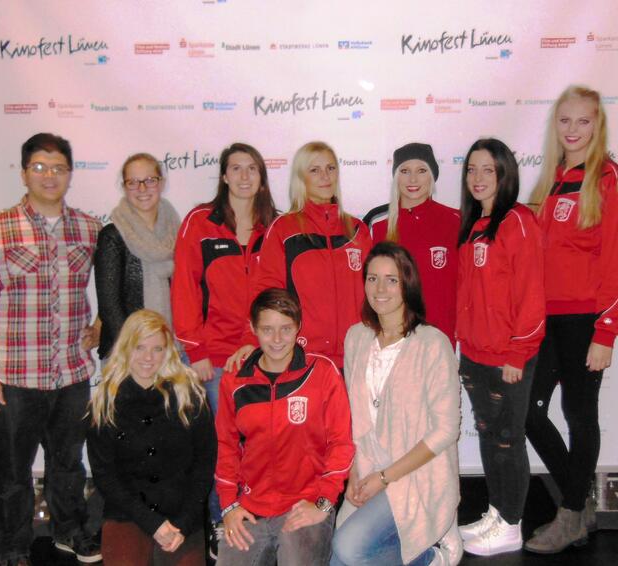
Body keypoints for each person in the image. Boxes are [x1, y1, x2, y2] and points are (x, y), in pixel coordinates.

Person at [0, 133, 102, 565]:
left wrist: (100, 323)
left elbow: (99, 288)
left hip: (71, 372)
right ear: (24, 171)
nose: (50, 176)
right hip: (14, 376)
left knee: (68, 464)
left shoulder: (88, 228)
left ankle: (70, 532)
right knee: (12, 473)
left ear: (70, 174)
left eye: (59, 168)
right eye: (40, 167)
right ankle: (12, 547)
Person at [171, 142, 277, 557]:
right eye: (237, 168)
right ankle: (220, 523)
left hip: (263, 354)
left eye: (253, 168)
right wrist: (196, 350)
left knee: (260, 444)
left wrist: (255, 343)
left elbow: (280, 292)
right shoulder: (200, 222)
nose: (245, 176)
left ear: (262, 176)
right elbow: (183, 287)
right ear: (224, 176)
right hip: (213, 360)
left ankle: (259, 519)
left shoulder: (277, 225)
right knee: (223, 447)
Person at [524, 86, 618, 554]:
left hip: (586, 321)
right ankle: (578, 502)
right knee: (528, 412)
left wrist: (605, 332)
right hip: (547, 322)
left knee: (580, 417)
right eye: (565, 120)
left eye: (583, 121)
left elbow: (613, 262)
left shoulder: (606, 179)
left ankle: (570, 516)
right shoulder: (551, 181)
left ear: (597, 125)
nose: (573, 130)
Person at [330, 242, 462, 566]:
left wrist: (384, 478)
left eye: (392, 279)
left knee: (348, 548)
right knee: (337, 559)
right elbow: (352, 417)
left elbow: (446, 430)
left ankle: (431, 556)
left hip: (416, 475)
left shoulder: (432, 344)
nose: (380, 288)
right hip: (369, 468)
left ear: (408, 284)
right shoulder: (356, 338)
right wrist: (354, 474)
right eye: (372, 278)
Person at [215, 288, 354, 566]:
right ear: (252, 327)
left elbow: (341, 444)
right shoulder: (235, 381)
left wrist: (324, 504)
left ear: (298, 327)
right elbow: (226, 446)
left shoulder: (323, 373)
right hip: (252, 508)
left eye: (286, 328)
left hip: (305, 506)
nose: (277, 340)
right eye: (267, 329)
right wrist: (229, 505)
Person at [456, 138, 545, 557]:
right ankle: (497, 511)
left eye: (488, 169)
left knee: (509, 440)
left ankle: (511, 523)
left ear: (505, 173)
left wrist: (518, 353)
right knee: (491, 439)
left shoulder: (519, 221)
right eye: (472, 169)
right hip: (475, 356)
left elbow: (530, 295)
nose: (478, 178)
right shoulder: (474, 224)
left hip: (508, 359)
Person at [227, 141, 372, 371]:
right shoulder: (284, 230)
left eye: (331, 168)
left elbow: (374, 294)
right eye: (314, 170)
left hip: (356, 358)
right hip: (304, 358)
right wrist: (251, 338)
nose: (325, 176)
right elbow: (266, 291)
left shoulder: (357, 230)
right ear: (300, 177)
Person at [87, 309, 216, 565]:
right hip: (128, 512)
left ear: (167, 351)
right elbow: (105, 477)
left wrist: (182, 522)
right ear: (126, 348)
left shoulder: (190, 396)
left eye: (157, 349)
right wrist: (153, 523)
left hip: (181, 513)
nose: (148, 357)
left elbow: (204, 465)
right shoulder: (105, 401)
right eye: (139, 347)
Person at [364, 143, 460, 346]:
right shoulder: (378, 223)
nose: (413, 179)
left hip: (440, 339)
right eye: (405, 171)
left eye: (422, 171)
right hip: (392, 339)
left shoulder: (455, 221)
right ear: (395, 176)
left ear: (432, 176)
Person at [95, 153, 180, 361]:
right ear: (124, 187)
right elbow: (109, 306)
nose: (142, 189)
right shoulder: (112, 236)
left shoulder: (179, 233)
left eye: (150, 180)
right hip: (124, 354)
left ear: (161, 183)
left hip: (171, 351)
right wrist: (138, 353)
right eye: (133, 182)